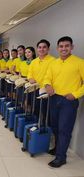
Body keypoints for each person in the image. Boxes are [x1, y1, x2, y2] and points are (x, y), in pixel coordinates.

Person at [44, 36, 84, 168]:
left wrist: (75, 94)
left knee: (64, 129)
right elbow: (47, 77)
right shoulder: (54, 63)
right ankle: (57, 149)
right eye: (61, 46)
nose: (64, 48)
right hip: (54, 98)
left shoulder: (79, 62)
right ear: (57, 48)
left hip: (68, 101)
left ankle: (61, 157)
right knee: (54, 126)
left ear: (72, 47)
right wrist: (48, 85)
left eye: (67, 46)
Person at [27, 39, 55, 117]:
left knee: (46, 112)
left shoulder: (53, 61)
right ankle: (36, 125)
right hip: (35, 88)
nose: (41, 49)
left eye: (44, 47)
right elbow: (29, 73)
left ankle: (45, 127)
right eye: (39, 47)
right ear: (37, 49)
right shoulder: (34, 62)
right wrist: (30, 78)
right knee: (35, 109)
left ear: (48, 49)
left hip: (46, 91)